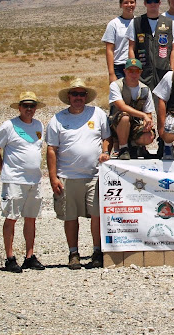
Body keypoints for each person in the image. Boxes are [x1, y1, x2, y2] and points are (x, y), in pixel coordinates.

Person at [45, 78, 111, 270]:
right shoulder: (58, 119)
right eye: (75, 94)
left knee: (97, 215)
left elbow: (106, 138)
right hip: (67, 175)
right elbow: (51, 150)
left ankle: (97, 252)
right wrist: (53, 177)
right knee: (70, 216)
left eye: (82, 94)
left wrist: (105, 151)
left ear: (86, 97)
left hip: (94, 175)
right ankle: (73, 253)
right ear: (69, 97)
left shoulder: (97, 114)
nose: (78, 98)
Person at [0, 91, 46, 273]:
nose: (29, 109)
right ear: (19, 107)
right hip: (14, 180)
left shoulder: (39, 126)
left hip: (34, 180)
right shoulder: (9, 126)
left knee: (31, 218)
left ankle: (29, 256)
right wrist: (4, 168)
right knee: (11, 218)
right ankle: (10, 257)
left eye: (32, 106)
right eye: (25, 106)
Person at [127, 0, 174, 157]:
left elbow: (173, 48)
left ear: (160, 2)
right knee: (141, 109)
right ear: (145, 3)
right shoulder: (136, 22)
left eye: (156, 1)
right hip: (143, 72)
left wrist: (172, 71)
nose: (153, 4)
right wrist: (132, 68)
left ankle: (165, 143)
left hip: (163, 72)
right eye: (149, 1)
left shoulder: (169, 23)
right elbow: (131, 47)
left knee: (164, 110)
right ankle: (138, 145)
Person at [108, 58, 156, 160]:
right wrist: (143, 115)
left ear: (140, 73)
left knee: (149, 136)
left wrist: (147, 123)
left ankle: (135, 146)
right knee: (125, 117)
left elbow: (149, 113)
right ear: (125, 71)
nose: (133, 74)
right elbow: (121, 106)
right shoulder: (116, 85)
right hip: (117, 125)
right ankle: (123, 148)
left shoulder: (145, 90)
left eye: (136, 71)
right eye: (130, 71)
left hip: (135, 124)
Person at [102, 0, 136, 83]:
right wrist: (111, 73)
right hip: (119, 66)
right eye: (126, 3)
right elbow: (109, 49)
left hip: (136, 66)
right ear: (121, 5)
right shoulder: (114, 24)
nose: (129, 5)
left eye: (132, 2)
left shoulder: (139, 22)